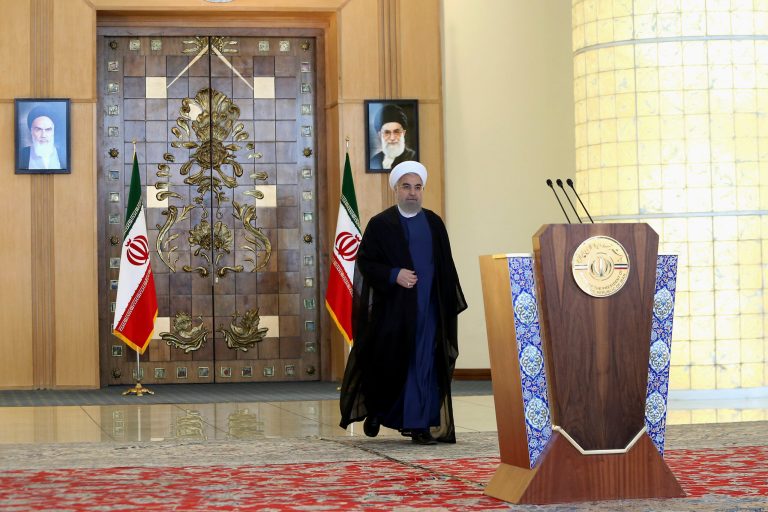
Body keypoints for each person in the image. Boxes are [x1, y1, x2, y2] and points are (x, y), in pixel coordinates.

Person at [339, 160, 467, 445]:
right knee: (387, 363)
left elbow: (446, 266)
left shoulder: (434, 223)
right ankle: (376, 410)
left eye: (418, 187)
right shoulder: (382, 224)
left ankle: (419, 425)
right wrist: (394, 274)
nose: (413, 193)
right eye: (406, 187)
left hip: (429, 311)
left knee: (423, 366)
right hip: (394, 311)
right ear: (396, 190)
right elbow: (366, 262)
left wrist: (446, 303)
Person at [368, 104, 417, 170]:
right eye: (387, 132)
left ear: (403, 133)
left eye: (396, 132)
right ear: (380, 135)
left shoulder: (413, 158)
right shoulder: (374, 161)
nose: (392, 138)